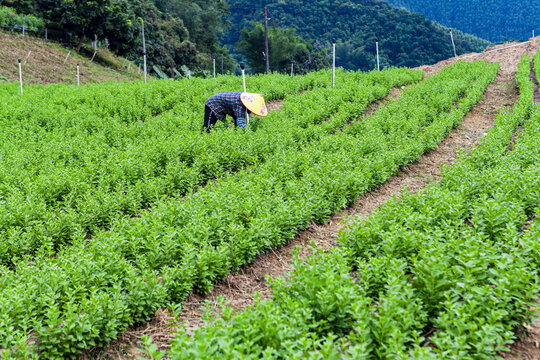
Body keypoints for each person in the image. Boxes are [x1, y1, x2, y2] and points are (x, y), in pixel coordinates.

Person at [202, 91, 268, 132]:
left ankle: (237, 135)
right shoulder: (240, 104)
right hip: (213, 104)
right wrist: (248, 133)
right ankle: (203, 140)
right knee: (207, 127)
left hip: (228, 104)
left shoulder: (246, 100)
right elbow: (240, 122)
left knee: (237, 120)